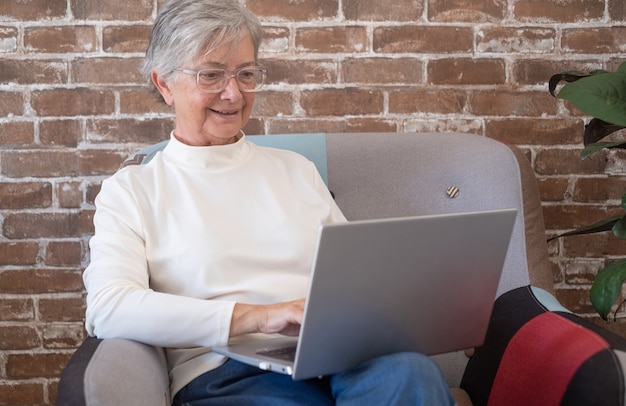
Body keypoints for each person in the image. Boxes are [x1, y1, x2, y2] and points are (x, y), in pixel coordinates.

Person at [82, 0, 455, 404]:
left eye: (246, 74)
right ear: (165, 84)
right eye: (211, 74)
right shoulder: (133, 191)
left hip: (337, 355)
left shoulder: (296, 170)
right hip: (229, 370)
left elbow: (356, 278)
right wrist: (260, 316)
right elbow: (109, 306)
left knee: (412, 372)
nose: (233, 93)